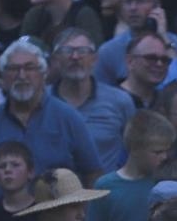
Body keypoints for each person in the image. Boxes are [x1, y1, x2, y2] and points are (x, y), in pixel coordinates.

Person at [0, 39, 101, 215]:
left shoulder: (68, 119)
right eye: (13, 69)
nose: (22, 76)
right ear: (3, 77)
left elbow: (93, 174)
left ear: (43, 75)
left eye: (29, 68)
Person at [88, 110, 175, 221]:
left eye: (166, 151)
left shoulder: (164, 185)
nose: (164, 157)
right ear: (134, 149)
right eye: (157, 152)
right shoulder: (105, 187)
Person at [52, 28, 138, 172]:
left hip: (105, 191)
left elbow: (135, 149)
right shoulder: (41, 101)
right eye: (67, 51)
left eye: (83, 51)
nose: (75, 57)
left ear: (95, 58)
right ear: (55, 59)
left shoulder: (120, 101)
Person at [93, 0, 177, 85]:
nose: (133, 8)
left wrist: (164, 39)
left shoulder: (174, 43)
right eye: (128, 2)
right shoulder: (109, 52)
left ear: (157, 6)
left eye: (140, 1)